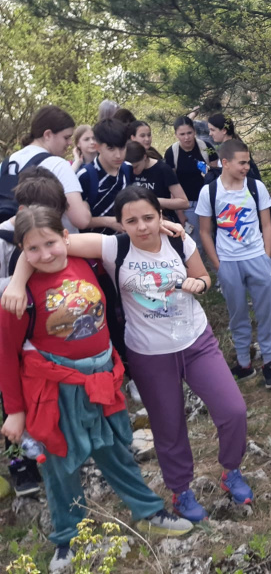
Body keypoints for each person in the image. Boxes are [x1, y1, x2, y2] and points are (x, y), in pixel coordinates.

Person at [5, 186, 254, 521]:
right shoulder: (113, 247)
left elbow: (203, 276)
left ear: (161, 215)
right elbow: (42, 244)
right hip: (149, 354)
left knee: (234, 410)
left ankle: (231, 471)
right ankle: (181, 492)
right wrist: (17, 283)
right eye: (132, 221)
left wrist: (201, 284)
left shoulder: (179, 241)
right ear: (120, 224)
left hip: (197, 342)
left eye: (149, 217)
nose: (142, 226)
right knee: (168, 428)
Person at [0, 206, 193, 572]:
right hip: (55, 390)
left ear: (65, 237)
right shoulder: (17, 296)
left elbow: (129, 241)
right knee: (60, 465)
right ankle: (68, 538)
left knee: (116, 450)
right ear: (22, 251)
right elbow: (7, 356)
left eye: (50, 243)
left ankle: (148, 512)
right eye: (33, 249)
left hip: (101, 380)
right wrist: (15, 411)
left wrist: (164, 224)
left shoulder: (87, 262)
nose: (45, 254)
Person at [0, 171, 67, 498]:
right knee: (10, 400)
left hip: (43, 335)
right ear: (24, 210)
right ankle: (19, 463)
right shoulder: (2, 239)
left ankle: (52, 449)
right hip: (9, 332)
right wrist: (17, 283)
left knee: (44, 397)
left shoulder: (55, 236)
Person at [196, 139, 271, 389]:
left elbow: (267, 224)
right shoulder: (209, 192)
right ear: (225, 162)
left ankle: (269, 362)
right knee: (237, 314)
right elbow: (204, 231)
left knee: (265, 312)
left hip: (257, 259)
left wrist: (266, 257)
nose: (247, 167)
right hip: (228, 262)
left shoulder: (255, 187)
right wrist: (218, 265)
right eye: (242, 163)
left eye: (248, 162)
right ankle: (244, 363)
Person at [5, 106, 92, 232]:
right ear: (48, 135)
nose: (69, 143)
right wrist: (85, 205)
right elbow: (81, 220)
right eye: (66, 137)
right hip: (51, 240)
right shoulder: (58, 165)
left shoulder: (7, 163)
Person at [165, 116, 217, 250]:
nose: (186, 137)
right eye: (182, 134)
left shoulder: (206, 147)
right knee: (194, 241)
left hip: (208, 201)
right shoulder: (172, 152)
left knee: (213, 236)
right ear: (176, 135)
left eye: (189, 133)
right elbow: (171, 184)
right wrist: (179, 213)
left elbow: (217, 175)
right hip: (187, 204)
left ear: (194, 131)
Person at [78, 119, 132, 235]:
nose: (118, 155)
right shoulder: (85, 176)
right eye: (111, 148)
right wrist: (108, 222)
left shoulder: (128, 168)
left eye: (122, 148)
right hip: (93, 242)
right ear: (97, 147)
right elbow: (77, 219)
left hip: (125, 239)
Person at [126, 141, 188, 224]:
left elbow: (184, 202)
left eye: (136, 167)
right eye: (130, 168)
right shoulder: (125, 170)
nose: (133, 171)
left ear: (144, 157)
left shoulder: (162, 169)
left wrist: (153, 201)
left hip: (162, 219)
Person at [208, 113, 262, 181]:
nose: (210, 134)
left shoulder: (233, 150)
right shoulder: (235, 145)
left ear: (224, 130)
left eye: (212, 130)